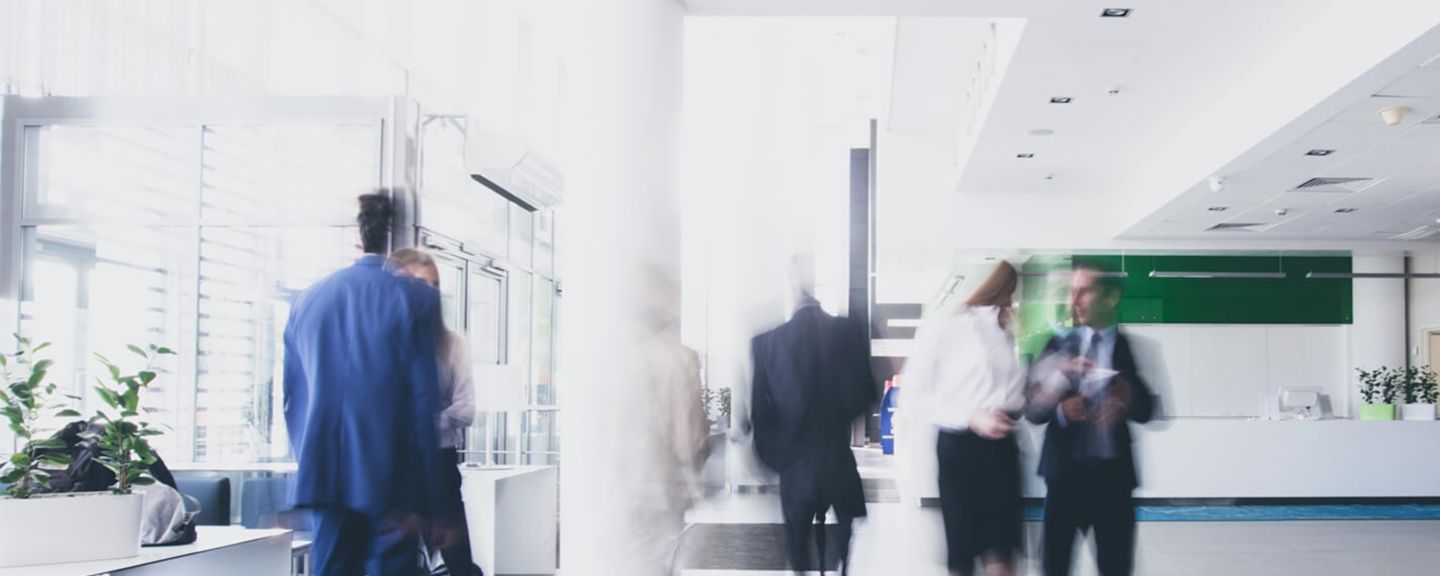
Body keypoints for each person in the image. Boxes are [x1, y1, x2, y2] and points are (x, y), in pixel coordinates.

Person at [283, 193, 447, 576]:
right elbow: (424, 404)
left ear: (360, 237)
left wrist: (309, 464)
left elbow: (292, 399)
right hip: (391, 479)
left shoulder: (308, 299)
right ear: (402, 238)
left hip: (324, 478)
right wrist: (435, 501)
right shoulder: (416, 298)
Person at [1025, 262, 1156, 576]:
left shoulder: (1131, 348)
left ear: (1110, 298)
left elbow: (1148, 411)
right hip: (1064, 479)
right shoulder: (1056, 346)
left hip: (1113, 480)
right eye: (1072, 292)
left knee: (1115, 567)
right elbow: (1032, 411)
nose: (1074, 300)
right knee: (1054, 566)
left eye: (1083, 291)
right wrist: (1061, 409)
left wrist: (1127, 399)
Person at [751, 260, 877, 576]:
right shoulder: (848, 332)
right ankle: (840, 566)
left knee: (797, 542)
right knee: (845, 534)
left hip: (795, 465)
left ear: (792, 289)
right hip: (837, 459)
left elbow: (760, 413)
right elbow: (865, 395)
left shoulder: (767, 343)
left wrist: (779, 457)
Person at [902, 262, 1024, 576]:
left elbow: (1011, 393)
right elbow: (913, 395)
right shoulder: (948, 322)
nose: (1014, 297)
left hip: (1003, 449)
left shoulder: (1006, 329)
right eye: (1011, 288)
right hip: (962, 449)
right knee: (964, 552)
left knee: (1002, 549)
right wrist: (972, 417)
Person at [387, 248, 480, 576]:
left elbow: (466, 409)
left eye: (431, 284)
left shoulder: (452, 344)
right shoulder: (383, 345)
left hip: (440, 464)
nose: (424, 292)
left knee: (459, 561)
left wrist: (420, 424)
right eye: (414, 283)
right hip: (394, 469)